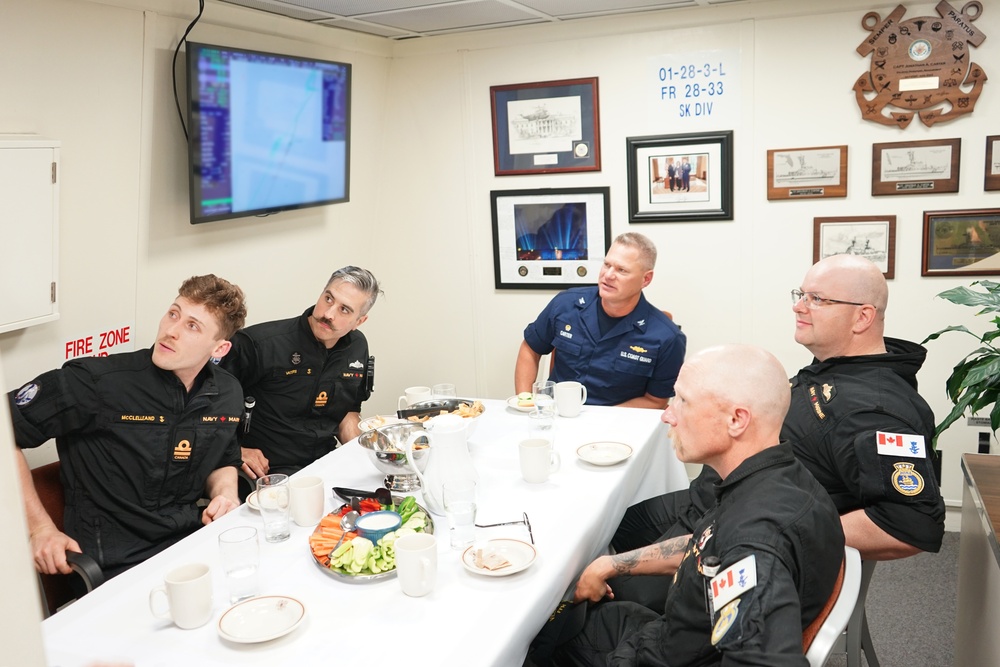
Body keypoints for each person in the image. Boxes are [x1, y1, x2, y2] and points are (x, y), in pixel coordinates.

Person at [612, 254, 945, 610]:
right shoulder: (841, 366)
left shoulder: (874, 410)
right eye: (801, 295)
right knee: (617, 526)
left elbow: (909, 524)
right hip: (716, 499)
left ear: (862, 316)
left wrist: (781, 532)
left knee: (609, 596)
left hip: (742, 526)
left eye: (817, 299)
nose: (799, 307)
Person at [543, 345, 844, 666]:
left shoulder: (753, 543)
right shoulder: (777, 476)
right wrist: (613, 564)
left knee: (540, 634)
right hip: (672, 636)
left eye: (683, 402)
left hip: (666, 656)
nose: (667, 414)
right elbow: (708, 544)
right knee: (569, 618)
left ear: (736, 419)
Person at [9, 275, 247, 579]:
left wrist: (225, 493)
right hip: (114, 566)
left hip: (191, 544)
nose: (171, 331)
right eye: (173, 314)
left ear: (220, 349)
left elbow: (224, 456)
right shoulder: (95, 382)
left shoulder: (227, 393)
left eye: (192, 326)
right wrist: (40, 529)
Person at [221, 266, 381, 479]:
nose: (328, 314)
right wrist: (235, 451)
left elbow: (348, 410)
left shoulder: (357, 346)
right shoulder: (259, 344)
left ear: (359, 322)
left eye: (345, 310)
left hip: (325, 463)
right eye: (328, 298)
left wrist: (364, 457)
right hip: (268, 470)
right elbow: (205, 407)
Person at [514, 232, 685, 408]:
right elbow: (530, 349)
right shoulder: (566, 304)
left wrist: (600, 422)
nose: (608, 275)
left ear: (646, 279)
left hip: (616, 427)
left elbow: (656, 400)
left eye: (622, 270)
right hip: (558, 417)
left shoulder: (667, 337)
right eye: (607, 264)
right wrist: (526, 402)